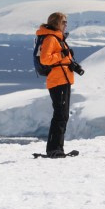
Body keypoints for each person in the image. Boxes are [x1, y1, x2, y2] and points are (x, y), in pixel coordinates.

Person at [36, 12, 80, 158]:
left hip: (64, 80)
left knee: (63, 116)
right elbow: (45, 59)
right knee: (60, 116)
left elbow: (61, 58)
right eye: (64, 22)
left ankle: (57, 148)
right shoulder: (50, 38)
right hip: (57, 81)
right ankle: (54, 150)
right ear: (56, 23)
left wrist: (70, 63)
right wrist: (62, 55)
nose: (66, 24)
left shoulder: (59, 38)